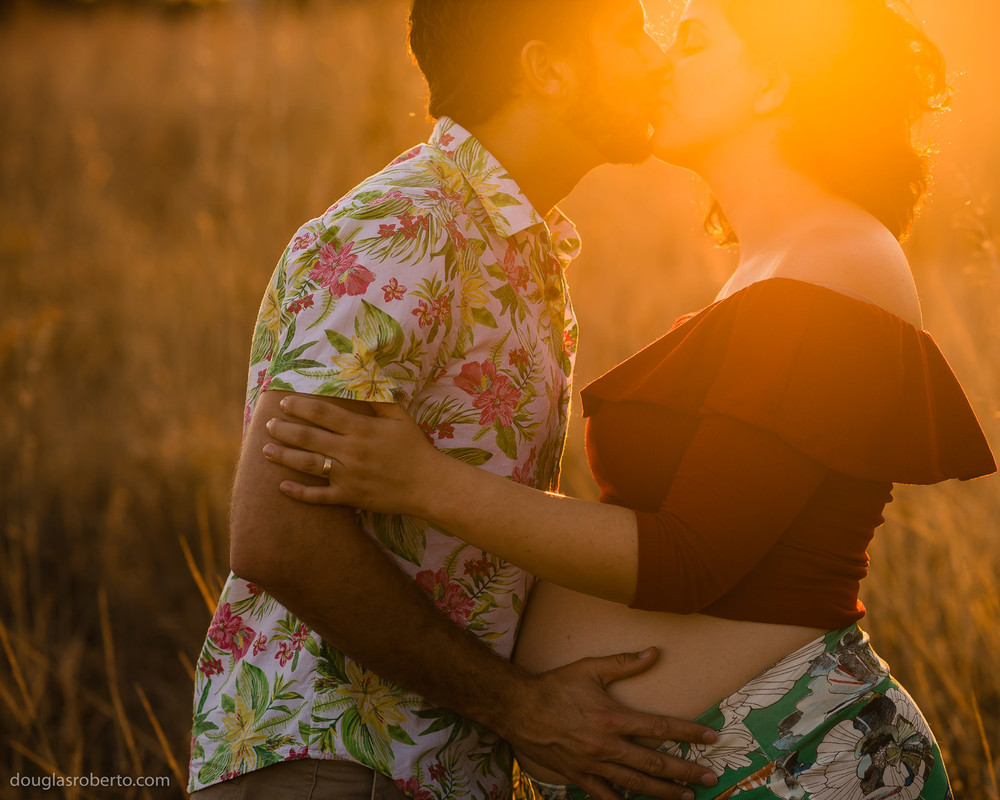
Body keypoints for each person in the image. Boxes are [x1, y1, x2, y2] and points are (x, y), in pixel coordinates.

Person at [263, 0, 998, 798]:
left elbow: (690, 558)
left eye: (691, 38)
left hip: (792, 764)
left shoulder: (837, 254)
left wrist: (423, 483)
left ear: (773, 84)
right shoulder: (774, 266)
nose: (657, 59)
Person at [187, 2, 724, 799]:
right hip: (338, 756)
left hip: (431, 763)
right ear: (547, 69)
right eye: (627, 34)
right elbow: (279, 534)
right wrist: (517, 706)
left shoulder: (512, 238)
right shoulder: (400, 226)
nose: (656, 59)